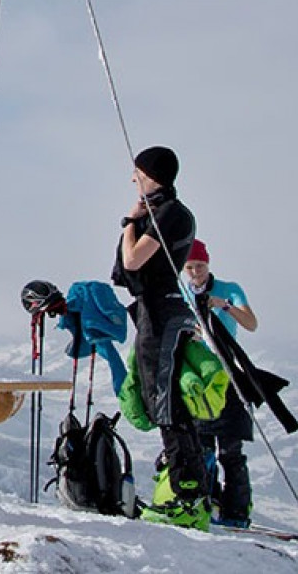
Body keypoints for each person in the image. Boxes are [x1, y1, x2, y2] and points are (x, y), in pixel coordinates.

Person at [109, 145, 206, 529]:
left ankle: (187, 495)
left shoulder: (169, 213)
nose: (133, 179)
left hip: (161, 311)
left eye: (137, 172)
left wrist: (129, 221)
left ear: (150, 173)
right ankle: (188, 491)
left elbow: (132, 261)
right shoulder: (166, 212)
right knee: (161, 398)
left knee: (165, 401)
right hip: (157, 309)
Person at [183, 240, 256, 528]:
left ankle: (236, 512)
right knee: (201, 447)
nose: (195, 272)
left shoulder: (229, 289)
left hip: (227, 374)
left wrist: (223, 306)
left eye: (199, 266)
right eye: (189, 267)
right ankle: (206, 502)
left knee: (231, 450)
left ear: (208, 264)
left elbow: (251, 323)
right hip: (199, 376)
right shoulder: (182, 292)